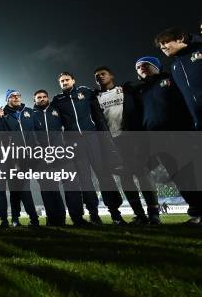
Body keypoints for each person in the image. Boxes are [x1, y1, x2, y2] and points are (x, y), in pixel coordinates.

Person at [51, 72, 126, 225]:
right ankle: (94, 214)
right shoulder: (57, 100)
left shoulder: (85, 91)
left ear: (73, 80)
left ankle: (115, 213)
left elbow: (103, 94)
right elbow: (48, 116)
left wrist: (123, 90)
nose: (64, 82)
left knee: (103, 174)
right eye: (61, 81)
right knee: (85, 178)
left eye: (66, 80)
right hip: (74, 142)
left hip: (93, 138)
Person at [134, 56, 202, 225]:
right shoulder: (139, 91)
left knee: (194, 173)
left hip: (180, 133)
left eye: (145, 65)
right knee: (179, 177)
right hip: (158, 139)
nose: (141, 68)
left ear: (156, 66)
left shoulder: (171, 79)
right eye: (138, 67)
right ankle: (197, 213)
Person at [94, 66, 160, 225]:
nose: (100, 77)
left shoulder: (127, 90)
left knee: (142, 172)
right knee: (125, 176)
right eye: (97, 76)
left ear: (111, 76)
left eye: (103, 74)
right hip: (113, 141)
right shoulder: (95, 98)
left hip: (132, 138)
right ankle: (139, 215)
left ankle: (154, 213)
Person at [32, 89, 80, 226]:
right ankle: (54, 219)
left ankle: (77, 217)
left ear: (48, 98)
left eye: (44, 96)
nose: (42, 99)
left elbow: (70, 126)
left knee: (71, 185)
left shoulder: (56, 110)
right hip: (42, 157)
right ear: (34, 100)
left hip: (62, 154)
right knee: (48, 188)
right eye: (38, 97)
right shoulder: (30, 114)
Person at [1, 90, 40, 227]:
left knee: (22, 187)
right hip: (14, 156)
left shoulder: (28, 111)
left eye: (18, 95)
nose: (16, 97)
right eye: (12, 96)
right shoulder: (3, 114)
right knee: (19, 187)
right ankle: (29, 217)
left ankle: (19, 218)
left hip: (31, 154)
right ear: (7, 100)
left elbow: (37, 130)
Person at [154, 28, 202, 130]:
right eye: (160, 46)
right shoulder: (175, 67)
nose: (162, 47)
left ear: (180, 38)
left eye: (165, 42)